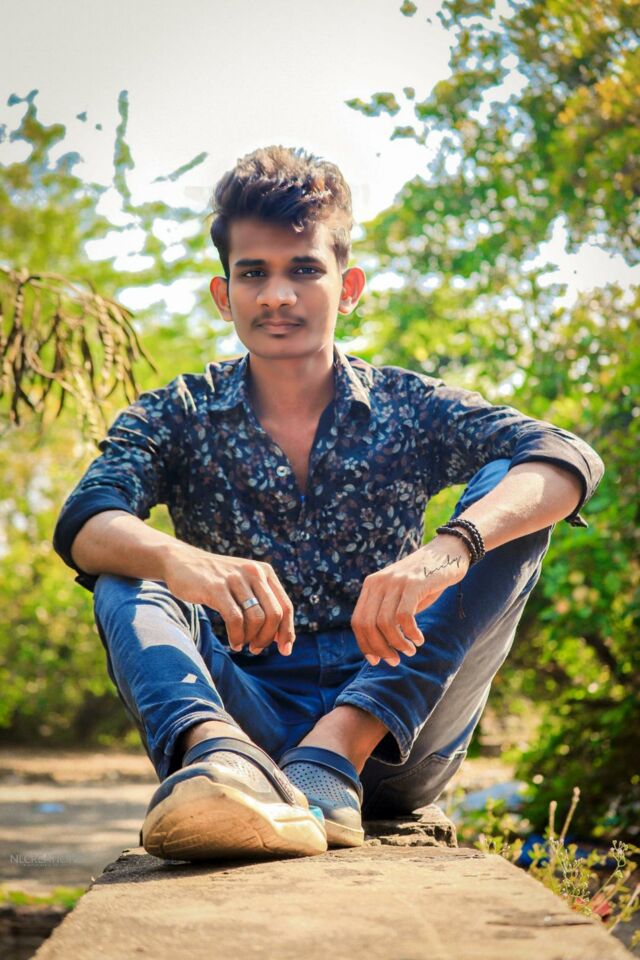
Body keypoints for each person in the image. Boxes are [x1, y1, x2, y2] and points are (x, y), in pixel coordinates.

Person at [53, 145, 604, 862]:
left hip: (395, 734)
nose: (277, 296)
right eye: (254, 273)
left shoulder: (410, 406)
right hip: (242, 726)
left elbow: (566, 456)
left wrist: (449, 550)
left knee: (514, 498)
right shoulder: (176, 413)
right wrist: (180, 560)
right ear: (225, 295)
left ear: (348, 288)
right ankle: (220, 763)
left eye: (304, 270)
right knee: (128, 566)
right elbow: (86, 516)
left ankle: (335, 752)